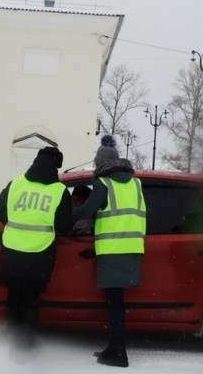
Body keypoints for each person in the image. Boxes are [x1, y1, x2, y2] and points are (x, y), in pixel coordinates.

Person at [0, 146, 73, 362]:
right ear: (56, 166)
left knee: (12, 299)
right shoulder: (59, 191)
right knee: (30, 301)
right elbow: (65, 225)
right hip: (38, 254)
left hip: (11, 250)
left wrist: (14, 223)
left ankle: (13, 346)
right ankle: (24, 346)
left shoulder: (16, 183)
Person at [73, 134, 147, 368]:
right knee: (117, 301)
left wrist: (67, 215)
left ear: (99, 165)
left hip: (112, 249)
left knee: (114, 302)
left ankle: (119, 353)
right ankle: (113, 347)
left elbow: (86, 211)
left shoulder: (103, 184)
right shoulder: (136, 183)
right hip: (132, 248)